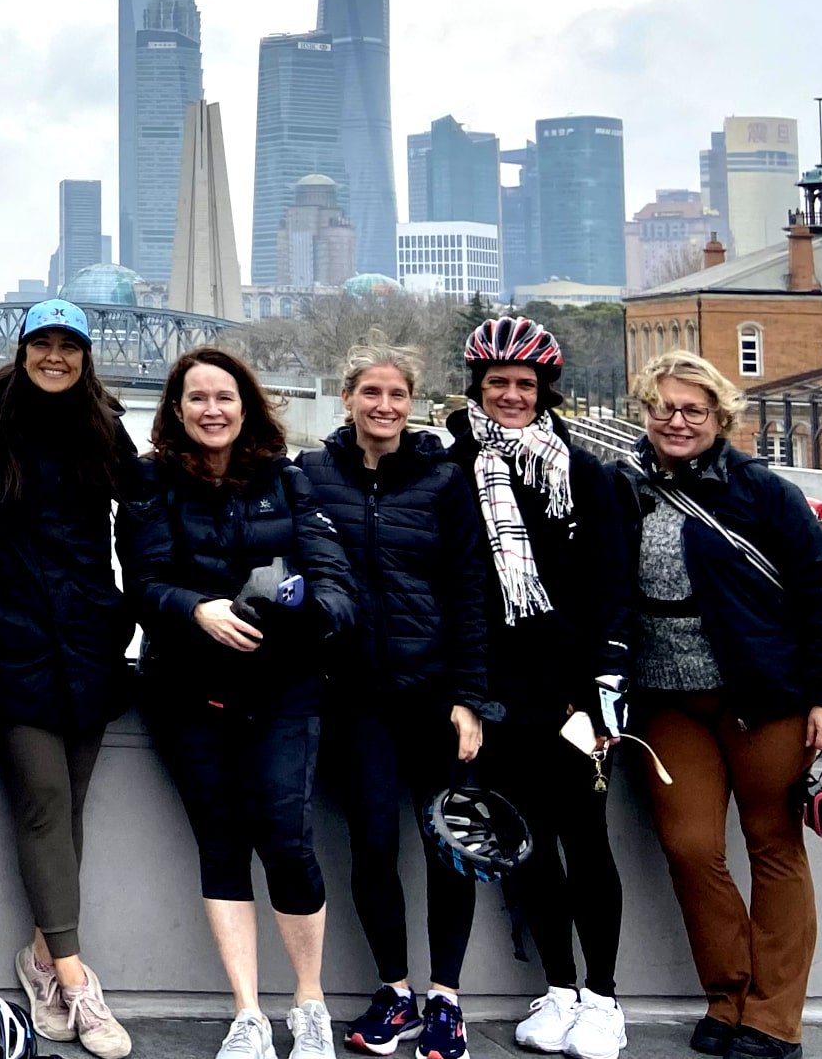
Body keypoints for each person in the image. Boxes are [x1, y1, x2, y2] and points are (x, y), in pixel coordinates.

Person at [617, 350, 822, 1059]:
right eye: (663, 406)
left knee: (774, 847)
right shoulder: (621, 485)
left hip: (762, 695)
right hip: (665, 698)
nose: (677, 419)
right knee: (690, 847)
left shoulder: (761, 490)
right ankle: (730, 993)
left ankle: (775, 1019)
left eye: (693, 408)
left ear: (721, 415)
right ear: (644, 410)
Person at [128, 348, 354, 1059]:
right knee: (221, 841)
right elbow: (142, 582)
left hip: (283, 687)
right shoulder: (150, 481)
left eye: (224, 396)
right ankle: (248, 1013)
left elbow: (338, 585)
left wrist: (291, 619)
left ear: (247, 404)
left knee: (286, 838)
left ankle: (309, 1002)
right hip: (188, 689)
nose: (211, 409)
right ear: (176, 410)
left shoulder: (291, 480)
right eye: (196, 398)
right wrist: (196, 609)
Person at [0, 300, 141, 1059]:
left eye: (69, 345)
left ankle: (37, 962)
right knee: (45, 799)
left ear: (85, 354)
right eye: (43, 343)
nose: (55, 356)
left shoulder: (104, 421)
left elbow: (151, 508)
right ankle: (78, 981)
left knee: (72, 811)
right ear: (22, 348)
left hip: (89, 639)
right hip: (10, 639)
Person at [295, 338, 490, 1059]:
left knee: (449, 850)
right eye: (370, 392)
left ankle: (447, 999)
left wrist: (471, 696)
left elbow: (472, 594)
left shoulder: (445, 479)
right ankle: (394, 991)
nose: (383, 406)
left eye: (397, 394)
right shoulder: (311, 473)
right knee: (374, 846)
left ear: (414, 403)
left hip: (436, 695)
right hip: (355, 697)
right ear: (347, 397)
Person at [443, 317, 631, 1059]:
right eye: (499, 384)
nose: (513, 395)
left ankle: (604, 998)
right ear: (478, 390)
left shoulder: (586, 474)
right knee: (525, 844)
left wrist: (604, 688)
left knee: (586, 839)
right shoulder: (453, 468)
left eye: (525, 384)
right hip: (496, 695)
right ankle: (557, 987)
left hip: (574, 695)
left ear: (545, 389)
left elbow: (612, 586)